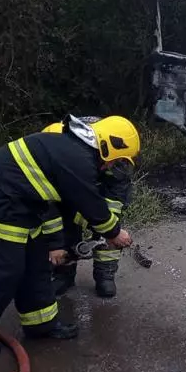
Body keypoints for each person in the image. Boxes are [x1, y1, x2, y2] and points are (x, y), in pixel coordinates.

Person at [0, 115, 140, 357]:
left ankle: (41, 324)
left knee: (35, 266)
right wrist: (114, 233)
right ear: (109, 145)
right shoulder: (77, 159)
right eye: (116, 161)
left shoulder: (74, 151)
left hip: (19, 210)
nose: (112, 167)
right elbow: (90, 203)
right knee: (3, 272)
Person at [42, 120, 132, 299]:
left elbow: (115, 196)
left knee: (111, 224)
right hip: (63, 198)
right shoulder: (54, 163)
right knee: (64, 228)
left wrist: (111, 230)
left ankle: (105, 275)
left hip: (96, 194)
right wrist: (56, 245)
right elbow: (48, 211)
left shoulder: (112, 155)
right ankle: (63, 275)